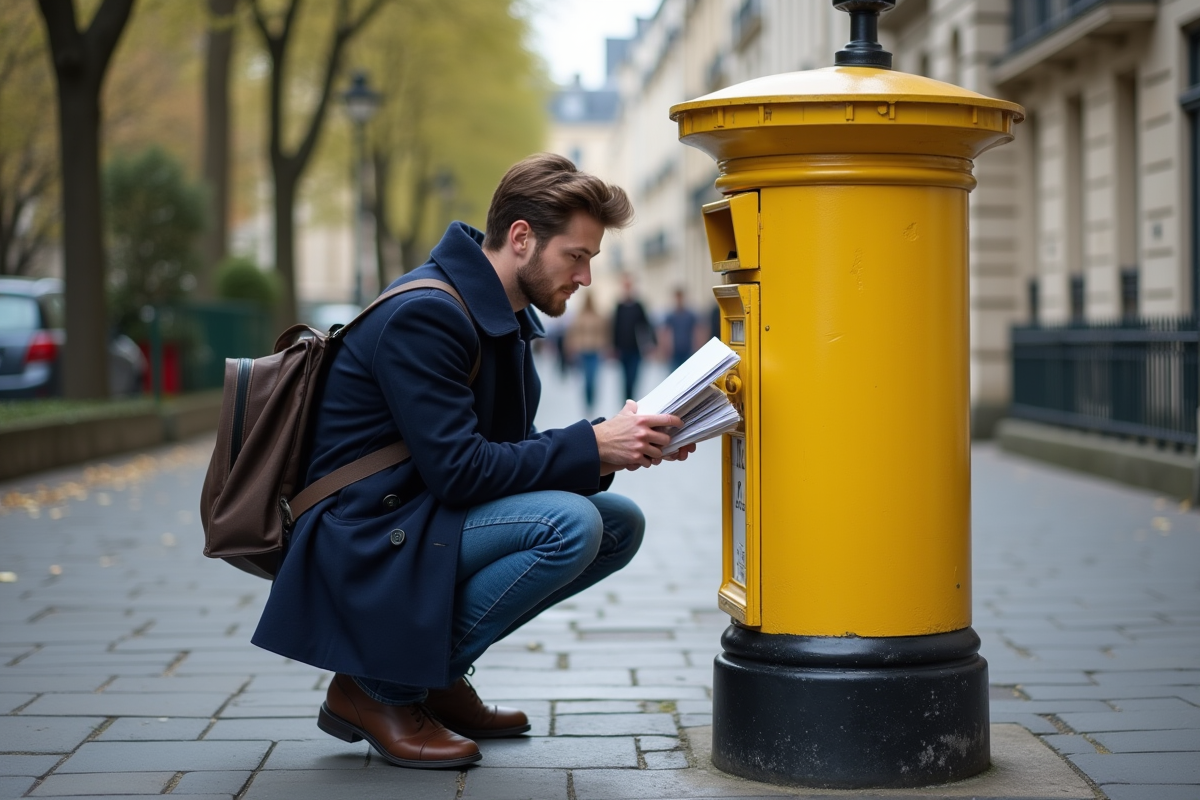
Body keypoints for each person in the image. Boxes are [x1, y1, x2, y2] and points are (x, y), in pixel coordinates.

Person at [251, 153, 696, 770]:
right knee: (572, 526)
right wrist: (592, 445)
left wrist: (618, 441)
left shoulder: (494, 311)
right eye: (577, 255)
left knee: (618, 522)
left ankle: (433, 677)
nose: (587, 277)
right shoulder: (427, 314)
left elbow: (506, 450)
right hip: (365, 530)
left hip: (415, 513)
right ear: (521, 239)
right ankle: (378, 687)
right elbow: (460, 472)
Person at [611, 275, 655, 402]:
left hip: (636, 349)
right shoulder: (619, 306)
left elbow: (647, 325)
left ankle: (631, 399)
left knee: (633, 376)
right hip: (622, 349)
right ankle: (626, 401)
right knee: (625, 378)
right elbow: (615, 328)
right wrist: (613, 347)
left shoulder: (638, 306)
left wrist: (652, 343)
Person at [564, 291, 608, 415]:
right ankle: (587, 403)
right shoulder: (579, 316)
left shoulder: (598, 316)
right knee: (585, 380)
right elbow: (572, 333)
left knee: (592, 378)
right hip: (582, 351)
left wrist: (604, 345)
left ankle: (592, 402)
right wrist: (571, 347)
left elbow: (605, 333)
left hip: (595, 351)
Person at [662, 288, 698, 371]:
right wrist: (665, 348)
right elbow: (665, 332)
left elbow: (696, 330)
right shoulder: (671, 315)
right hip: (674, 352)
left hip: (687, 350)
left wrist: (696, 346)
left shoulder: (690, 315)